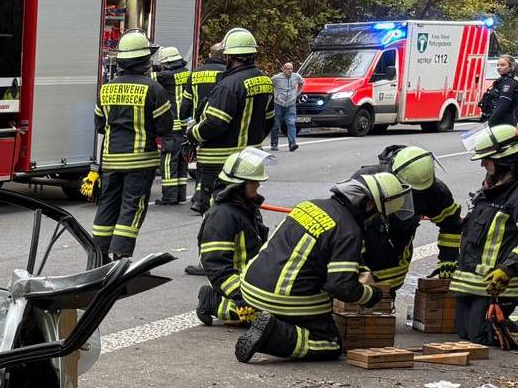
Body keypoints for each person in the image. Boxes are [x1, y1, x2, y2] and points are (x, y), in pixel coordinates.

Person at [233, 172, 408, 362]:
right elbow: (340, 286)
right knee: (330, 343)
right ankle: (273, 334)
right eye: (378, 215)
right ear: (370, 205)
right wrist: (371, 295)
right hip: (280, 297)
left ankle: (274, 322)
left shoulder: (310, 205)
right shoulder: (349, 230)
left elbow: (315, 256)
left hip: (250, 284)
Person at [451, 125, 518, 347]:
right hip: (472, 282)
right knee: (463, 331)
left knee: (485, 335)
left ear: (505, 161)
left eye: (487, 159)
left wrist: (508, 269)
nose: (482, 164)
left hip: (499, 283)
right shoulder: (492, 187)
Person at [90, 31, 171, 259]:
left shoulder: (106, 88)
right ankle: (120, 256)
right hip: (140, 161)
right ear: (145, 61)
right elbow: (164, 127)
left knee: (107, 206)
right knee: (132, 207)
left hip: (111, 160)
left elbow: (99, 125)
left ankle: (99, 255)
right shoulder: (154, 89)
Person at [350, 145, 460, 296]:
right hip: (361, 276)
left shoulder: (433, 191)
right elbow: (347, 228)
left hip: (395, 273)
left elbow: (451, 225)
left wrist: (448, 259)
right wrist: (357, 266)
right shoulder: (366, 182)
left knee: (383, 312)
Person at [189, 29, 275, 214]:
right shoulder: (264, 81)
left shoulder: (229, 85)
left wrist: (192, 134)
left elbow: (215, 122)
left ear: (229, 57)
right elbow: (269, 120)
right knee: (245, 207)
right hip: (250, 158)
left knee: (218, 210)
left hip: (220, 160)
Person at [195, 148, 271, 326]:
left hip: (253, 280)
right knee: (267, 318)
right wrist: (240, 296)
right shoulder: (222, 216)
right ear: (239, 184)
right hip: (239, 285)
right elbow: (215, 264)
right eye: (254, 182)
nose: (258, 186)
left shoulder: (246, 208)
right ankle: (213, 302)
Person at [187, 41, 226, 207]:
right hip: (220, 122)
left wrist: (187, 121)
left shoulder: (195, 73)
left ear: (209, 55)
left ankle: (199, 197)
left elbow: (186, 103)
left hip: (198, 124)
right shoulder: (228, 73)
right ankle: (210, 198)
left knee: (201, 162)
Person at [155, 46, 193, 205]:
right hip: (186, 126)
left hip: (171, 126)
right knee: (182, 160)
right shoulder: (188, 73)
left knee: (168, 160)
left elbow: (145, 77)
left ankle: (169, 197)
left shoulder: (165, 76)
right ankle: (180, 194)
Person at [481, 55, 518, 128]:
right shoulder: (502, 80)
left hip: (503, 121)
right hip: (499, 120)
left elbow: (503, 104)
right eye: (498, 65)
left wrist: (490, 122)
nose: (499, 67)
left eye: (503, 65)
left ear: (511, 67)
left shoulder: (509, 82)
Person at [268, 62, 301, 151]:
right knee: (276, 124)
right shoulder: (276, 78)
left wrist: (297, 93)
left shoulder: (296, 77)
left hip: (291, 104)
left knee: (291, 123)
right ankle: (274, 143)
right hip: (278, 103)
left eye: (291, 69)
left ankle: (292, 144)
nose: (290, 70)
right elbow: (269, 84)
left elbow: (302, 83)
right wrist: (272, 95)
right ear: (283, 69)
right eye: (288, 69)